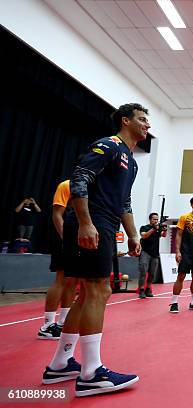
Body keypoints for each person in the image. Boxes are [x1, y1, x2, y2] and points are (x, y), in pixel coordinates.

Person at [42, 103, 149, 396]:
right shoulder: (109, 145)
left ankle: (60, 363)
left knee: (91, 292)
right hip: (92, 221)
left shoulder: (133, 161)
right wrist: (86, 223)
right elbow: (79, 178)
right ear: (125, 121)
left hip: (107, 223)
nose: (147, 125)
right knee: (99, 291)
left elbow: (124, 201)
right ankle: (91, 373)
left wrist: (132, 234)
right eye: (142, 119)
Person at [38, 180, 77, 339]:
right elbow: (57, 214)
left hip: (78, 238)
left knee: (72, 280)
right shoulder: (66, 185)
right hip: (64, 238)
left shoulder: (92, 187)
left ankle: (62, 323)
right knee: (61, 278)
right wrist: (66, 239)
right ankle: (47, 325)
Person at [138, 212, 166, 298]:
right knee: (143, 271)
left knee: (152, 274)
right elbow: (144, 236)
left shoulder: (158, 229)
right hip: (145, 252)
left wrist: (164, 229)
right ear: (150, 219)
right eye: (154, 219)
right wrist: (153, 229)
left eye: (157, 219)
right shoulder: (144, 227)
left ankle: (148, 289)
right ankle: (141, 290)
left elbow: (163, 235)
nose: (156, 221)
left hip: (155, 254)